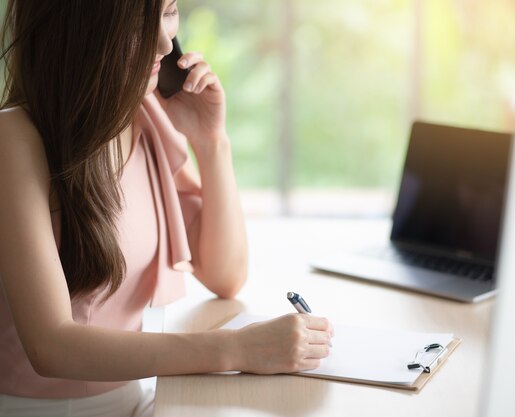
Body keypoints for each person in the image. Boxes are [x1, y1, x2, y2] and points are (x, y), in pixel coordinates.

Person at [0, 1, 333, 416]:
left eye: (169, 11)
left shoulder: (142, 113)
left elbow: (224, 274)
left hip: (134, 401)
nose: (165, 40)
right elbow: (51, 345)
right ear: (83, 30)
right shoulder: (14, 138)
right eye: (140, 23)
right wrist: (238, 349)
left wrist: (212, 143)